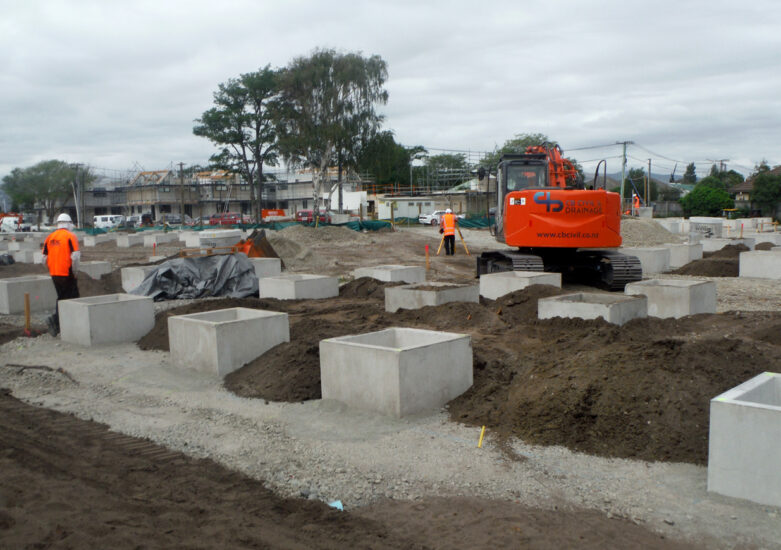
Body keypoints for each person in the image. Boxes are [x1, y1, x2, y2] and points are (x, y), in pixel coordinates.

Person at [41, 213, 80, 336]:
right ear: (68, 223)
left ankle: (62, 323)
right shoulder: (70, 236)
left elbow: (43, 258)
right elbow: (75, 257)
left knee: (62, 296)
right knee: (70, 298)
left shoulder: (50, 237)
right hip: (66, 273)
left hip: (54, 273)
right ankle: (56, 322)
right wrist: (75, 272)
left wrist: (51, 268)